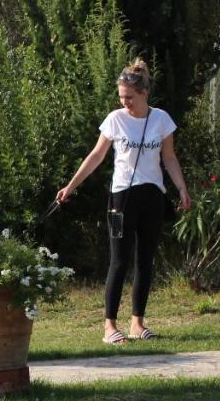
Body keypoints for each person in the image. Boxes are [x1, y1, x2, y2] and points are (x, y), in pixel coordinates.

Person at [55, 58, 191, 345]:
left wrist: (181, 188)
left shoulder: (161, 119)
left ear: (144, 93)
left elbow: (169, 157)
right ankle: (109, 327)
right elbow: (96, 156)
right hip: (122, 197)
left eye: (129, 97)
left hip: (152, 194)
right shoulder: (115, 119)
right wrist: (70, 186)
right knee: (119, 261)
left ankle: (137, 324)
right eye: (121, 98)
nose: (125, 103)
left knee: (145, 261)